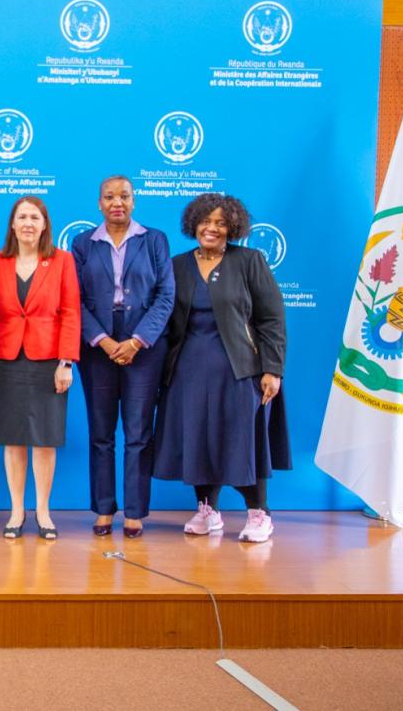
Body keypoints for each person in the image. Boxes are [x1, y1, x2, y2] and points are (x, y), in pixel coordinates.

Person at [154, 193, 289, 544]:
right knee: (198, 440)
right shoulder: (177, 265)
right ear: (193, 224)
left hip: (240, 371)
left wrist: (271, 369)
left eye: (220, 223)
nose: (211, 228)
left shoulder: (249, 261)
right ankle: (207, 510)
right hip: (188, 372)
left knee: (243, 442)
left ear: (232, 228)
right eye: (205, 221)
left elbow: (271, 319)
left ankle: (259, 514)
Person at [71, 175, 174, 539]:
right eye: (110, 196)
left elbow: (166, 296)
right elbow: (75, 300)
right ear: (99, 203)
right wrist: (101, 339)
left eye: (124, 196)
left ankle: (134, 512)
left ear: (134, 201)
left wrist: (136, 341)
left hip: (143, 347)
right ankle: (103, 509)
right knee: (101, 433)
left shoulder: (155, 240)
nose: (117, 202)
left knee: (138, 433)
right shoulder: (83, 243)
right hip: (97, 346)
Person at [0, 196, 80, 540]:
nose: (28, 223)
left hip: (48, 361)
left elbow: (71, 312)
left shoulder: (62, 261)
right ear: (12, 224)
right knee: (13, 439)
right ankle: (16, 510)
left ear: (44, 225)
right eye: (22, 217)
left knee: (44, 440)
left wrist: (66, 361)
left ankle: (43, 511)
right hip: (7, 359)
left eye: (34, 217)